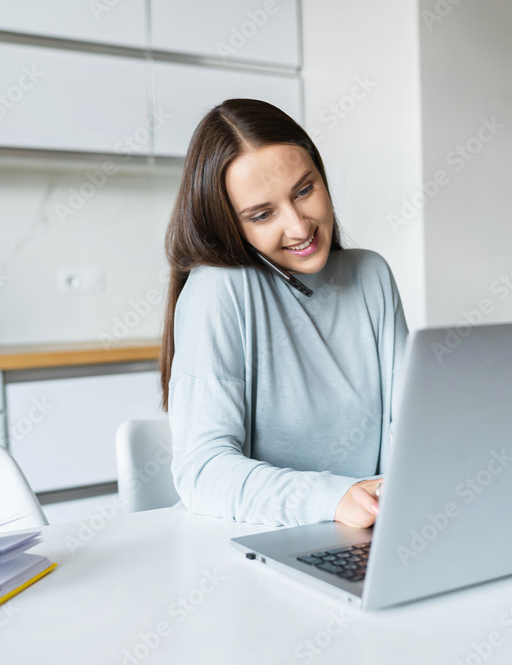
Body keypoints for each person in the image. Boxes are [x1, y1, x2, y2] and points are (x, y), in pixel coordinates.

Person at [159, 98, 408, 529]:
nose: (299, 227)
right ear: (229, 226)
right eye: (262, 214)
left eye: (304, 190)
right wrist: (335, 498)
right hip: (260, 541)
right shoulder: (217, 290)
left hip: (369, 532)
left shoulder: (372, 276)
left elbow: (409, 428)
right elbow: (202, 472)